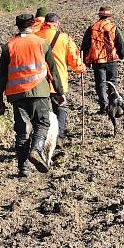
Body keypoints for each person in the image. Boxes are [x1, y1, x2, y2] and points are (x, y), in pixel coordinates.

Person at [0, 13, 63, 177]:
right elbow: (53, 70)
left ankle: (23, 168)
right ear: (32, 25)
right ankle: (36, 149)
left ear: (18, 26)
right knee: (42, 123)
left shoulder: (8, 47)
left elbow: (1, 76)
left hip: (17, 95)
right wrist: (59, 92)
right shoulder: (42, 43)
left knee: (22, 131)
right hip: (39, 92)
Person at [34, 13, 86, 149]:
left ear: (45, 23)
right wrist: (81, 68)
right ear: (57, 24)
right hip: (58, 83)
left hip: (39, 83)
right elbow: (74, 60)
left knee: (41, 113)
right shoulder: (64, 38)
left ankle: (40, 140)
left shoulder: (35, 37)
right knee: (61, 109)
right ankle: (59, 137)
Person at [82, 6, 124, 115]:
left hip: (98, 61)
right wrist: (122, 55)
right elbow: (120, 43)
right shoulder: (113, 27)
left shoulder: (92, 28)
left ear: (100, 15)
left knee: (100, 84)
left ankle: (104, 107)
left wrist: (84, 61)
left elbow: (85, 46)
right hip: (111, 61)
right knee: (112, 83)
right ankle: (113, 106)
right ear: (109, 16)